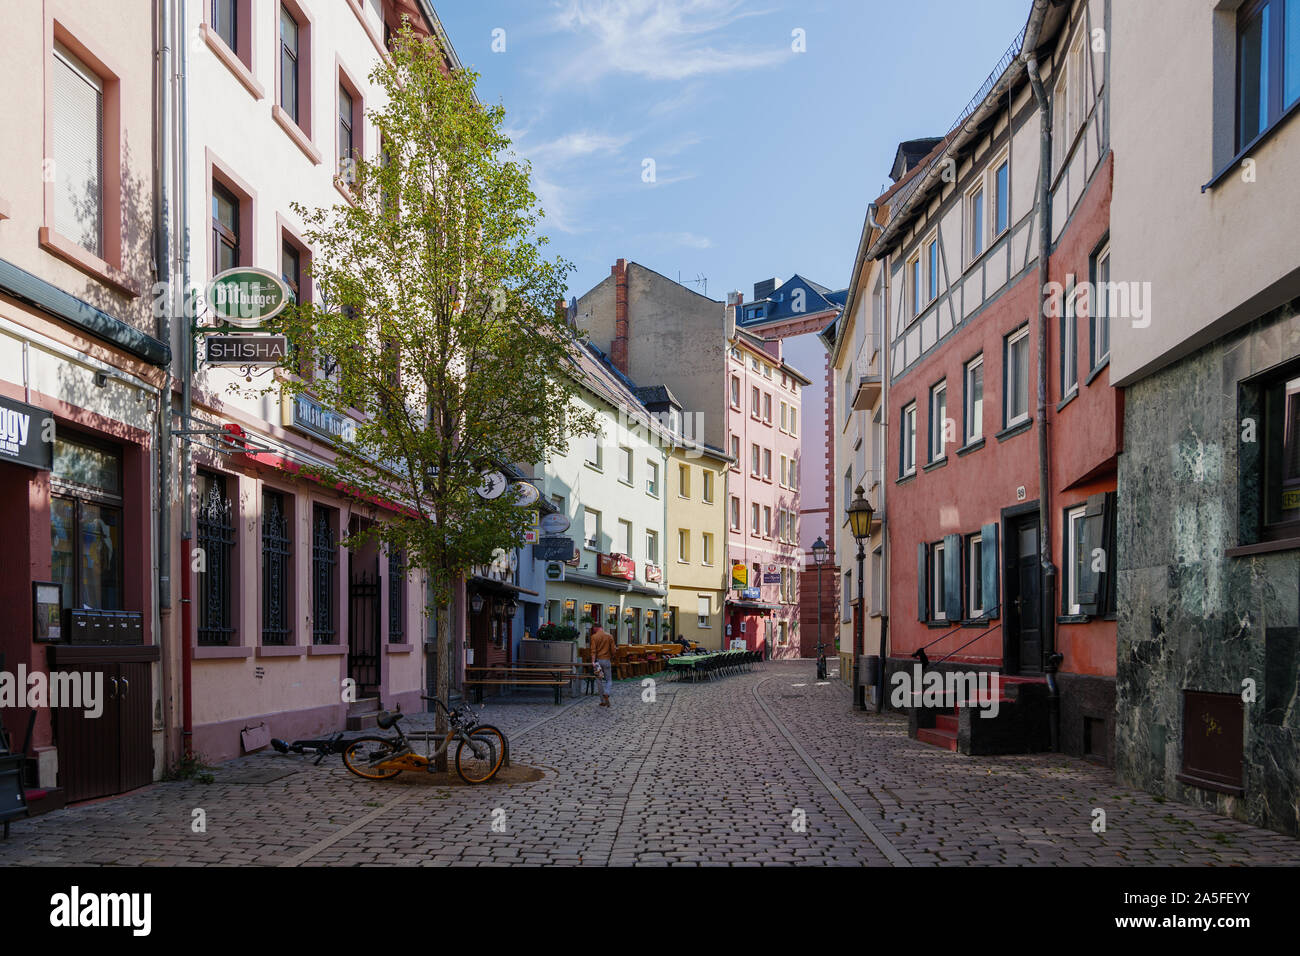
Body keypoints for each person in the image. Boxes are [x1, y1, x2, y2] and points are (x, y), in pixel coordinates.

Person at [589, 624, 616, 707]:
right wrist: (612, 656)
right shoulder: (609, 636)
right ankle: (607, 692)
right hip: (607, 660)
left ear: (595, 628)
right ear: (602, 628)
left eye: (594, 629)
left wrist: (593, 661)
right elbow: (613, 649)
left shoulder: (594, 637)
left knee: (599, 681)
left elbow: (593, 650)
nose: (593, 630)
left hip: (598, 662)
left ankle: (603, 701)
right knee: (609, 680)